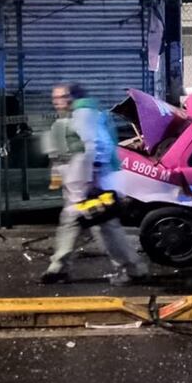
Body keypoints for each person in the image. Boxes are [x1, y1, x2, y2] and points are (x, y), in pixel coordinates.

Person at [40, 83, 150, 286]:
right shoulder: (74, 115)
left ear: (72, 97)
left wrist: (92, 180)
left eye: (61, 97)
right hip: (83, 185)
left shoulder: (84, 114)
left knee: (102, 226)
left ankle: (133, 269)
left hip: (93, 185)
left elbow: (98, 146)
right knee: (80, 223)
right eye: (54, 97)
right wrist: (59, 176)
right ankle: (58, 268)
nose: (56, 101)